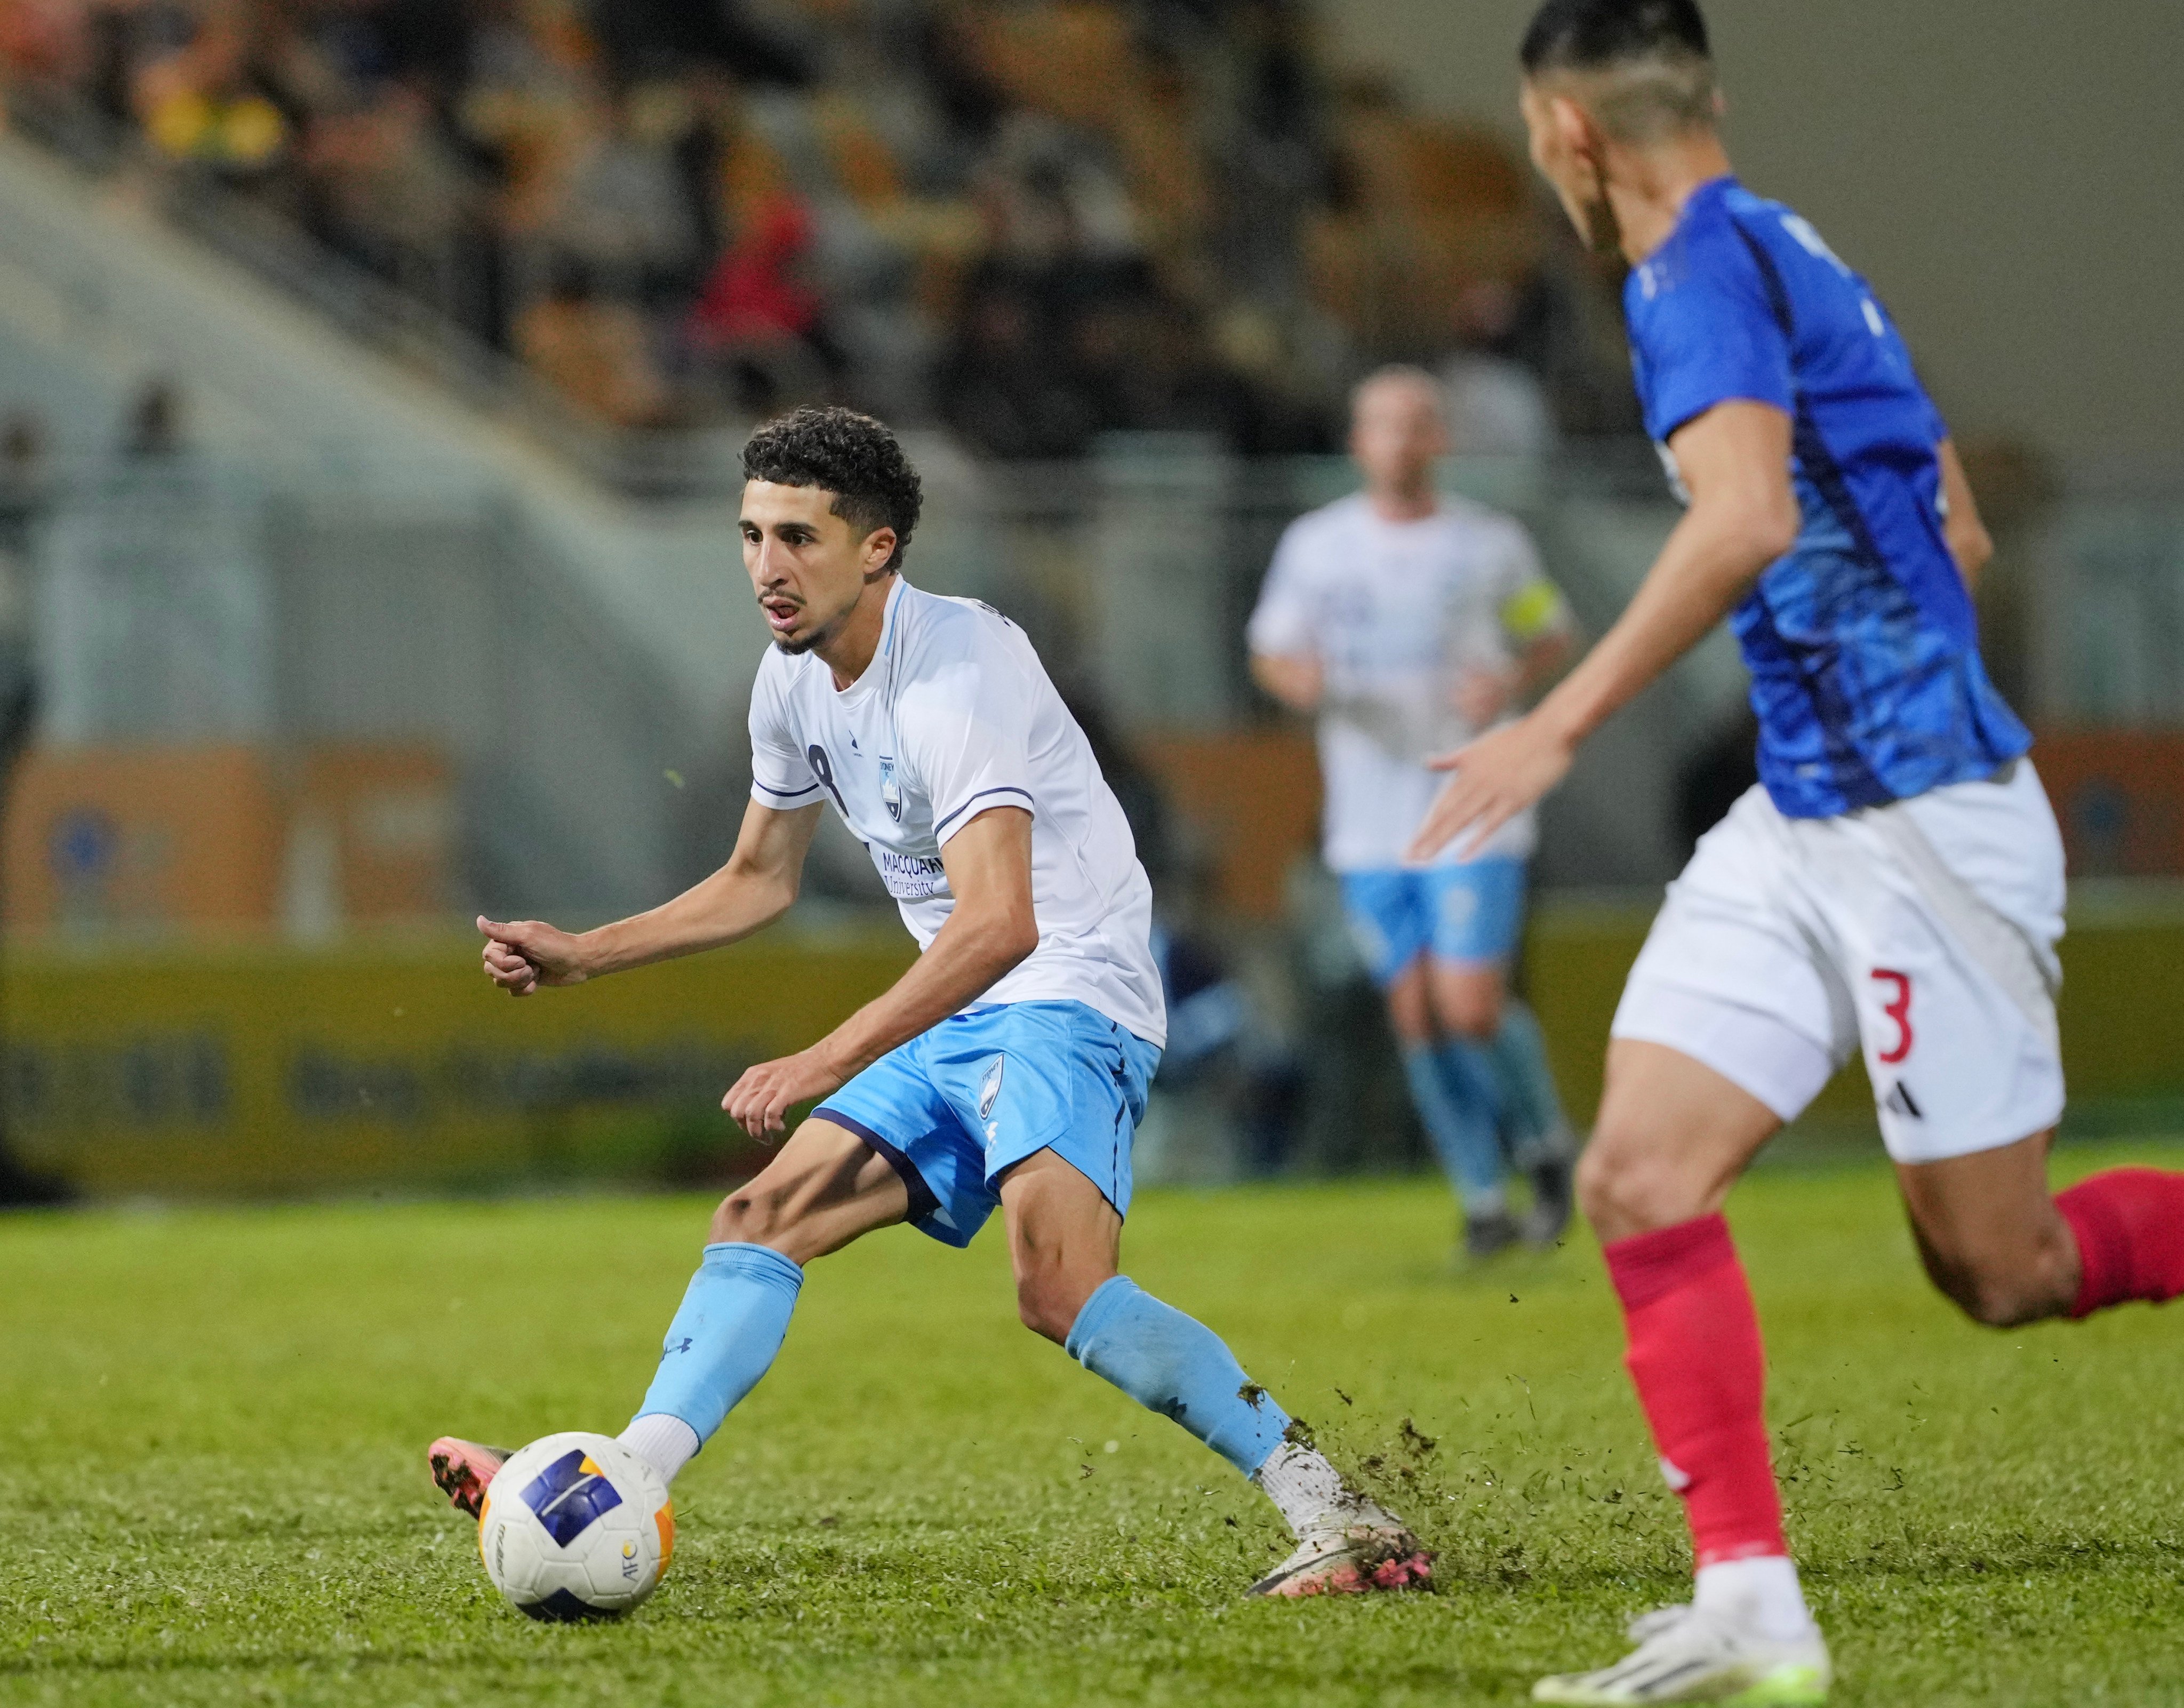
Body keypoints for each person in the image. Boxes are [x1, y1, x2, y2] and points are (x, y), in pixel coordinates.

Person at [1407, 3, 2184, 1700]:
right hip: (1814, 811)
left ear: (1565, 134)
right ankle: (1752, 1604)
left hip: (1923, 831)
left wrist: (1559, 725)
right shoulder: (1797, 247)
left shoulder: (1685, 278)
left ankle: (1757, 1598)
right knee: (1634, 1175)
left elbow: (1748, 514)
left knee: (2003, 1268)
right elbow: (1954, 524)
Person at [428, 407, 1430, 1601]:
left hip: (1069, 990)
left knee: (1057, 1284)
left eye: (798, 537)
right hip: (972, 1005)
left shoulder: (956, 670)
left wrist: (821, 1057)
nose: (765, 567)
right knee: (758, 1214)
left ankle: (1335, 1510)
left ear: (878, 548)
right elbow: (760, 874)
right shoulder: (791, 680)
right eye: (750, 535)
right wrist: (586, 952)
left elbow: (1003, 919)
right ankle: (623, 1482)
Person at [1249, 366, 1578, 1259]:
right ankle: (1482, 1198)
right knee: (1413, 1011)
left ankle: (1547, 1144)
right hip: (1369, 817)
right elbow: (1273, 651)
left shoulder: (1489, 545)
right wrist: (1300, 681)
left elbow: (1550, 628)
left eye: (1416, 424)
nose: (1399, 441)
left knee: (1468, 1005)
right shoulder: (1319, 548)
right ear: (1358, 442)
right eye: (1382, 425)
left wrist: (1512, 677)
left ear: (1440, 439)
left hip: (1472, 799)